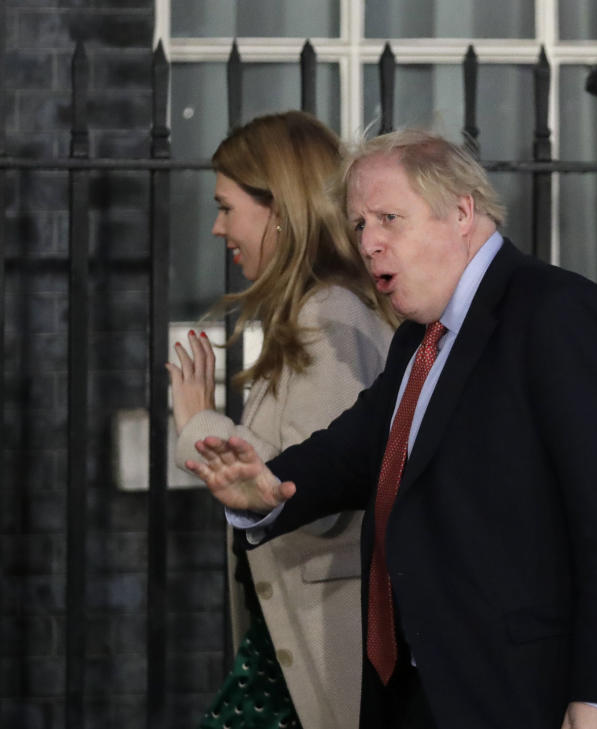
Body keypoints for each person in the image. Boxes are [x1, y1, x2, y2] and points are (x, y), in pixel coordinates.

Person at [185, 129, 597, 729]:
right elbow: (355, 452)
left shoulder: (560, 314)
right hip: (422, 695)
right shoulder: (419, 340)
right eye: (358, 225)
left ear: (461, 212)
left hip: (535, 696)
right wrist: (268, 490)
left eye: (388, 219)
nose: (368, 243)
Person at [167, 111, 396, 729]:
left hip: (316, 661)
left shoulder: (330, 318)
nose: (217, 228)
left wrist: (195, 420)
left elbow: (314, 498)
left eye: (227, 207)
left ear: (279, 210)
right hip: (288, 659)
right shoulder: (321, 312)